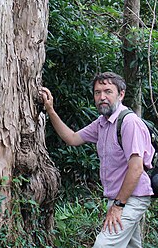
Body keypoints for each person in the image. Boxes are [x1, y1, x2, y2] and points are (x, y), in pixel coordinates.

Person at [40, 72, 154, 248]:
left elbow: (137, 168)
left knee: (103, 245)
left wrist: (118, 205)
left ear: (121, 94)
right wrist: (50, 110)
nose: (102, 97)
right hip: (119, 198)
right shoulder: (102, 123)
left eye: (108, 91)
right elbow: (72, 138)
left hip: (131, 197)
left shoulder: (129, 122)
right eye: (97, 92)